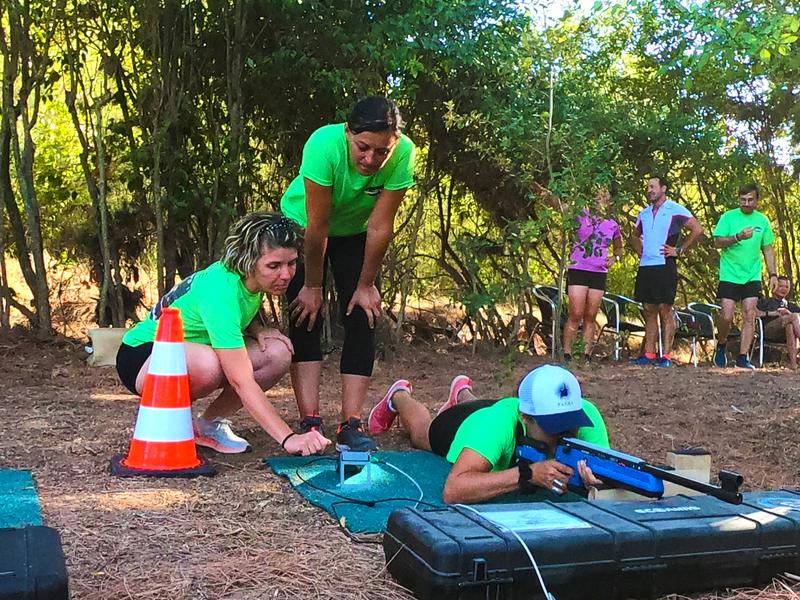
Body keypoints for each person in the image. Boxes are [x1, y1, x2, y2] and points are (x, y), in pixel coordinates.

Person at [116, 212, 330, 457]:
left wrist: (257, 328)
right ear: (249, 261)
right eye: (274, 266)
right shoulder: (221, 290)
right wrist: (289, 439)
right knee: (211, 365)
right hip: (141, 355)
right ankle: (171, 423)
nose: (286, 274)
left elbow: (228, 311)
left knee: (277, 351)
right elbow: (241, 381)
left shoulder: (248, 279)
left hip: (187, 350)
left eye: (291, 263)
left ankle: (208, 424)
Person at [280, 96, 416, 452]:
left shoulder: (403, 153)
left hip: (355, 232)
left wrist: (366, 284)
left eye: (381, 152)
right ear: (347, 133)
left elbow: (380, 226)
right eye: (362, 147)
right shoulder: (324, 146)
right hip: (303, 226)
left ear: (394, 145)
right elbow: (318, 226)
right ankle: (309, 421)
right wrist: (312, 285)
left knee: (362, 316)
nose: (370, 159)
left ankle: (350, 424)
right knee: (305, 314)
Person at [367, 366, 610, 504]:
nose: (564, 434)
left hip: (494, 411)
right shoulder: (501, 421)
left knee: (486, 408)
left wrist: (598, 483)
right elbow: (454, 490)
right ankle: (399, 396)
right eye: (554, 426)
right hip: (465, 423)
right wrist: (529, 474)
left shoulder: (587, 415)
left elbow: (609, 480)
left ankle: (462, 393)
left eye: (570, 425)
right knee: (422, 433)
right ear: (526, 416)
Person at [629, 176, 703, 368]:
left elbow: (697, 229)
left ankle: (667, 355)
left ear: (663, 188)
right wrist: (641, 252)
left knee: (665, 309)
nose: (649, 190)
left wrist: (679, 250)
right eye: (647, 187)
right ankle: (649, 353)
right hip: (647, 266)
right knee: (649, 309)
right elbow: (634, 236)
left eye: (653, 187)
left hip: (665, 264)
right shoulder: (643, 214)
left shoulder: (675, 210)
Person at [712, 183, 778, 369]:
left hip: (752, 274)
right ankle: (722, 344)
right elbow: (717, 242)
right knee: (727, 316)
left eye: (750, 200)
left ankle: (743, 357)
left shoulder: (762, 221)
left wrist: (773, 274)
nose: (746, 203)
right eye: (743, 200)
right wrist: (737, 237)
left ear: (757, 200)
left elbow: (768, 249)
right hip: (730, 274)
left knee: (749, 313)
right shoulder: (728, 217)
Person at [563, 186, 623, 361]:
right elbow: (560, 207)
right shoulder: (580, 214)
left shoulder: (612, 223)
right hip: (578, 268)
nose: (600, 198)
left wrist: (615, 258)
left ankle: (586, 354)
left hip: (599, 272)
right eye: (597, 195)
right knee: (575, 312)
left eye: (604, 196)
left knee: (591, 314)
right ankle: (567, 352)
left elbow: (619, 248)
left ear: (609, 201)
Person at [755, 276, 800, 370]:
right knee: (794, 317)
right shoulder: (765, 301)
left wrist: (788, 313)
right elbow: (753, 313)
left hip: (785, 333)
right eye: (780, 286)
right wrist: (771, 313)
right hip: (768, 330)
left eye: (786, 287)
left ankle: (793, 363)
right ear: (774, 286)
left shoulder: (791, 305)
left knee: (790, 325)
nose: (784, 289)